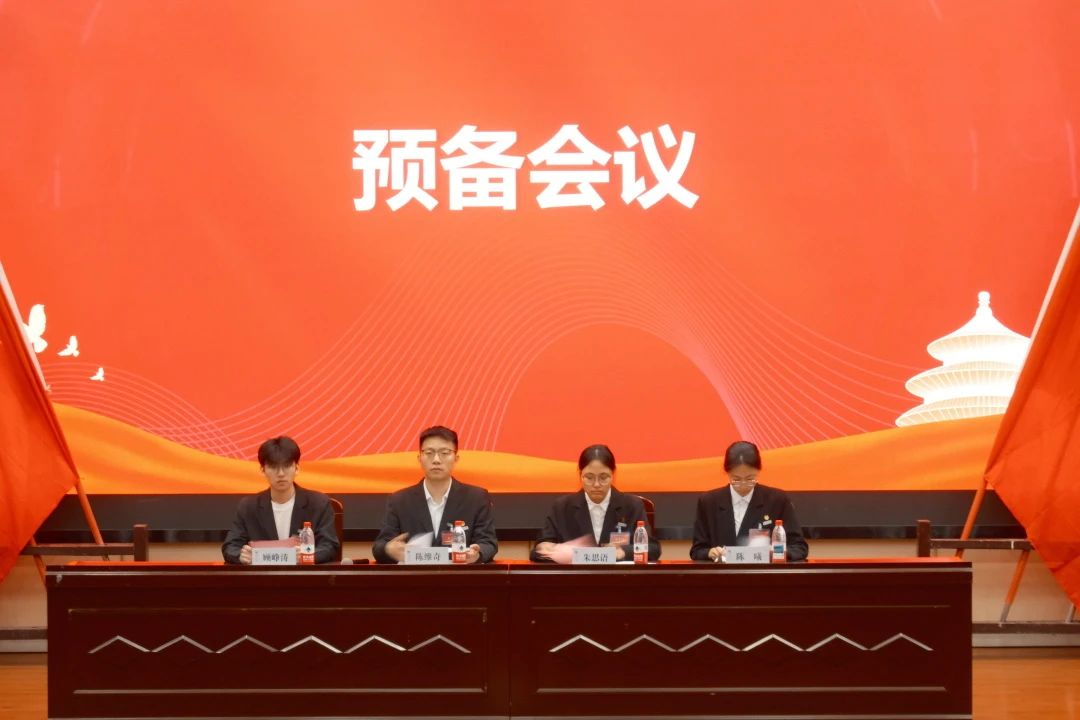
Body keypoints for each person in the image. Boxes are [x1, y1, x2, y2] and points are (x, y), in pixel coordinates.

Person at [372, 425, 498, 564]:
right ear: (420, 458)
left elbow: (488, 543)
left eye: (444, 453)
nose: (436, 460)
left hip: (459, 575)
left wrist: (477, 554)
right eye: (429, 453)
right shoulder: (399, 501)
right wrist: (388, 549)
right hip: (415, 576)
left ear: (456, 458)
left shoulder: (476, 498)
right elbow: (379, 547)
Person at [531, 444, 660, 563]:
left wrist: (623, 551)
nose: (597, 484)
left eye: (603, 477)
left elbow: (653, 549)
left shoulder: (632, 506)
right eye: (589, 478)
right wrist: (546, 549)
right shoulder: (562, 507)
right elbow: (537, 552)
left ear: (613, 475)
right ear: (580, 475)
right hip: (576, 579)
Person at [221, 436, 340, 564]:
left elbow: (329, 546)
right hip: (263, 576)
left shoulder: (318, 503)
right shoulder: (248, 507)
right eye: (273, 467)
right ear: (262, 470)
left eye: (287, 466)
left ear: (297, 468)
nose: (281, 474)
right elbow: (230, 547)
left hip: (303, 575)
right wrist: (241, 555)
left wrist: (307, 555)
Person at [690, 440, 808, 562]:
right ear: (727, 473)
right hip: (723, 573)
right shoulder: (709, 502)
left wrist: (773, 552)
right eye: (736, 479)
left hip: (762, 573)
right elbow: (697, 550)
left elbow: (799, 548)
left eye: (750, 479)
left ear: (758, 471)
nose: (743, 485)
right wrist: (710, 552)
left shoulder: (777, 500)